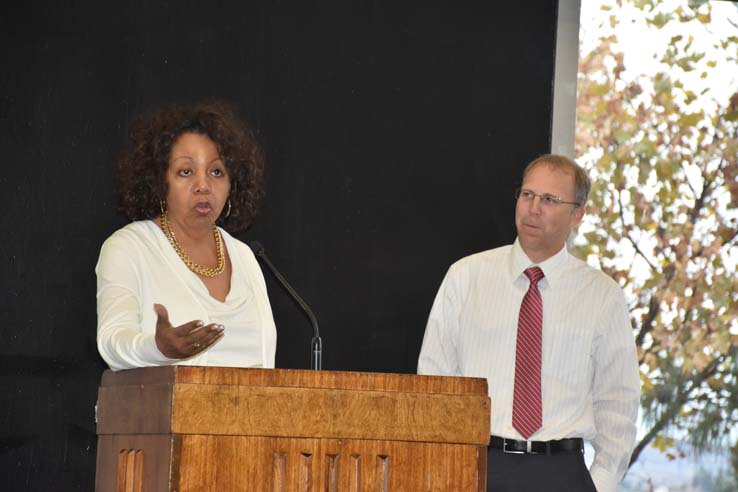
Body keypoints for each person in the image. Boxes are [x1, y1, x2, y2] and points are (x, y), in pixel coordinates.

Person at [417, 154, 639, 492]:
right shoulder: (466, 277)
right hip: (475, 467)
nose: (533, 208)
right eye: (527, 195)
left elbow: (617, 403)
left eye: (549, 200)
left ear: (577, 214)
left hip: (562, 472)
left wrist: (598, 484)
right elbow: (434, 386)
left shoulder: (602, 295)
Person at [96, 102, 277, 371]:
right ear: (160, 181)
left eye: (216, 172)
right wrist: (158, 349)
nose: (203, 186)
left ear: (232, 183)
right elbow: (111, 342)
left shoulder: (244, 256)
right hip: (166, 413)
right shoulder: (129, 248)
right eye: (186, 171)